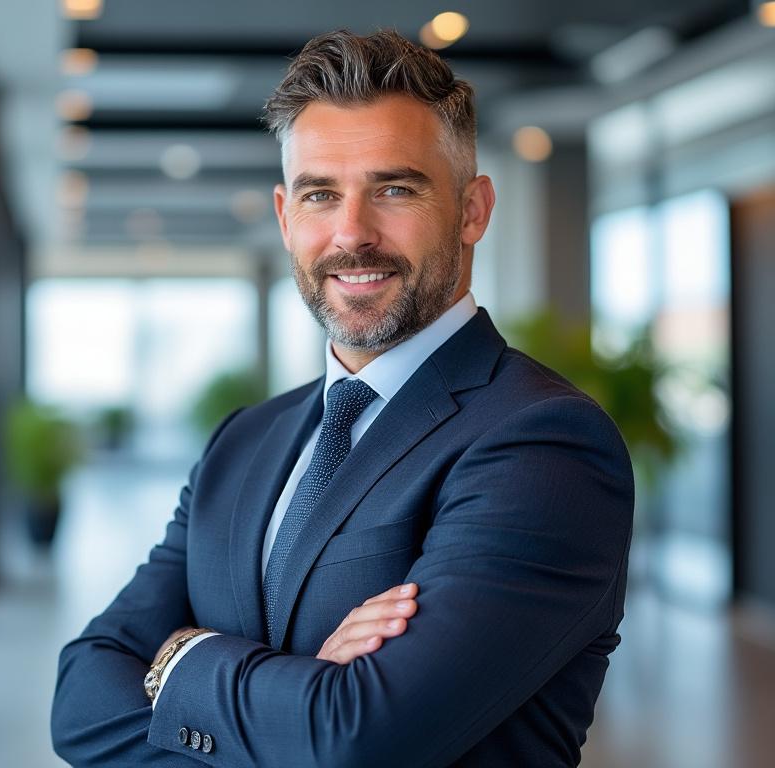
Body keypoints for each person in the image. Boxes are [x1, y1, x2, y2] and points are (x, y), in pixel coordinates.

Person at [51, 28, 633, 768]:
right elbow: (78, 703)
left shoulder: (544, 443)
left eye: (395, 189)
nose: (352, 234)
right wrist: (301, 702)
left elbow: (359, 740)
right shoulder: (245, 440)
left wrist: (176, 659)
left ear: (473, 210)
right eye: (320, 194)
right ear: (286, 217)